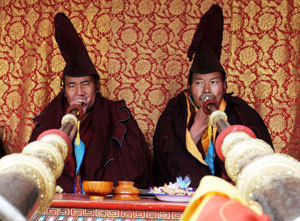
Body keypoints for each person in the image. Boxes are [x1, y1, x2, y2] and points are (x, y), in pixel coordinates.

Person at [153, 5, 273, 189]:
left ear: (224, 86)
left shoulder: (241, 113)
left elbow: (260, 167)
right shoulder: (174, 113)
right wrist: (196, 129)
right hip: (186, 200)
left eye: (214, 82)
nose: (206, 90)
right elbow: (167, 168)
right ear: (189, 87)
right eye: (199, 83)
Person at [30, 13, 152, 193]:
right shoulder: (50, 118)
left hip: (104, 205)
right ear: (64, 91)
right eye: (72, 86)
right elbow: (32, 171)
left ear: (97, 87)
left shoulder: (117, 115)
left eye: (85, 84)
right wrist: (64, 142)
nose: (79, 92)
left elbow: (137, 168)